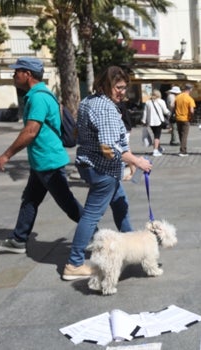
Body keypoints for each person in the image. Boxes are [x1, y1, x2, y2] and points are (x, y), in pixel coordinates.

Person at [63, 66, 153, 280]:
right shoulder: (106, 109)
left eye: (124, 88)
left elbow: (113, 142)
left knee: (121, 205)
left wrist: (130, 163)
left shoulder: (88, 102)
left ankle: (131, 248)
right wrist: (138, 162)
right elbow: (111, 148)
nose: (122, 92)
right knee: (91, 216)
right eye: (118, 87)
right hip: (103, 170)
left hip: (92, 165)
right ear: (105, 85)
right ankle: (74, 263)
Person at [0, 57, 83, 254]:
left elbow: (31, 131)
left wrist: (6, 155)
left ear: (27, 74)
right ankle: (19, 239)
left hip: (48, 161)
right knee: (30, 199)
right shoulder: (43, 94)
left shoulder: (38, 97)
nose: (14, 75)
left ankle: (95, 234)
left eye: (17, 72)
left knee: (67, 203)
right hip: (42, 161)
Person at [142, 89, 170, 157]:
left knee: (155, 135)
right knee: (157, 136)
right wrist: (169, 113)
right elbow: (165, 111)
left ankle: (158, 147)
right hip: (158, 121)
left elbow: (145, 112)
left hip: (150, 122)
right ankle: (155, 150)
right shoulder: (161, 101)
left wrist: (143, 120)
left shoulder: (148, 102)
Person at [174, 83, 196, 156]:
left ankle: (182, 148)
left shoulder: (178, 97)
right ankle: (183, 151)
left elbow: (173, 107)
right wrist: (192, 117)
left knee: (180, 134)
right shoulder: (189, 99)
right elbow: (192, 110)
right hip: (185, 119)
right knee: (184, 135)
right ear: (190, 89)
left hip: (178, 118)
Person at [118, 99, 136, 180]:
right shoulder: (119, 103)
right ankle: (133, 170)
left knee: (126, 149)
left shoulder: (117, 104)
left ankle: (133, 171)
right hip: (126, 127)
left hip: (124, 129)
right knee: (126, 148)